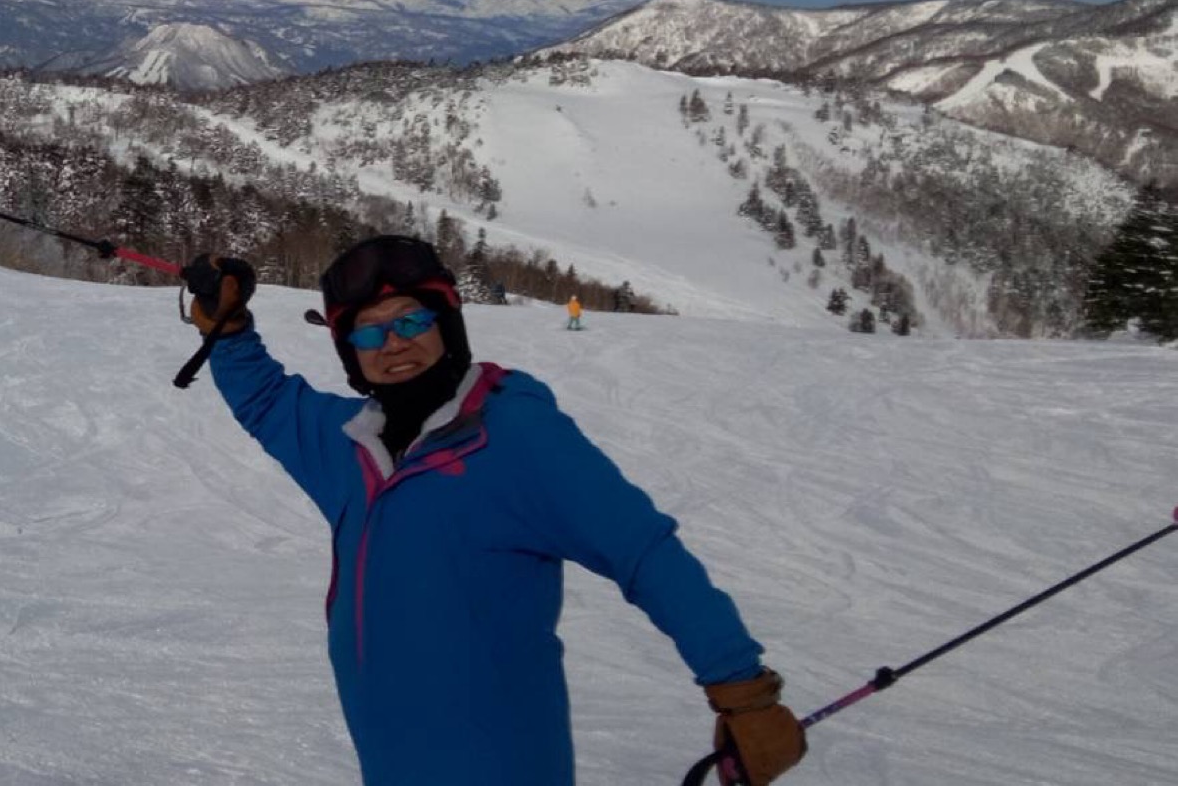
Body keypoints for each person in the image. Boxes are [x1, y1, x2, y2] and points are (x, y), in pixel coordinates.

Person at [179, 235, 803, 785]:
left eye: (411, 321)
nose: (393, 343)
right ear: (350, 351)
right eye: (368, 330)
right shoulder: (350, 446)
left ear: (447, 325)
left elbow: (643, 551)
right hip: (390, 759)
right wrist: (227, 330)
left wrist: (740, 690)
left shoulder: (514, 436)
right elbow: (266, 400)